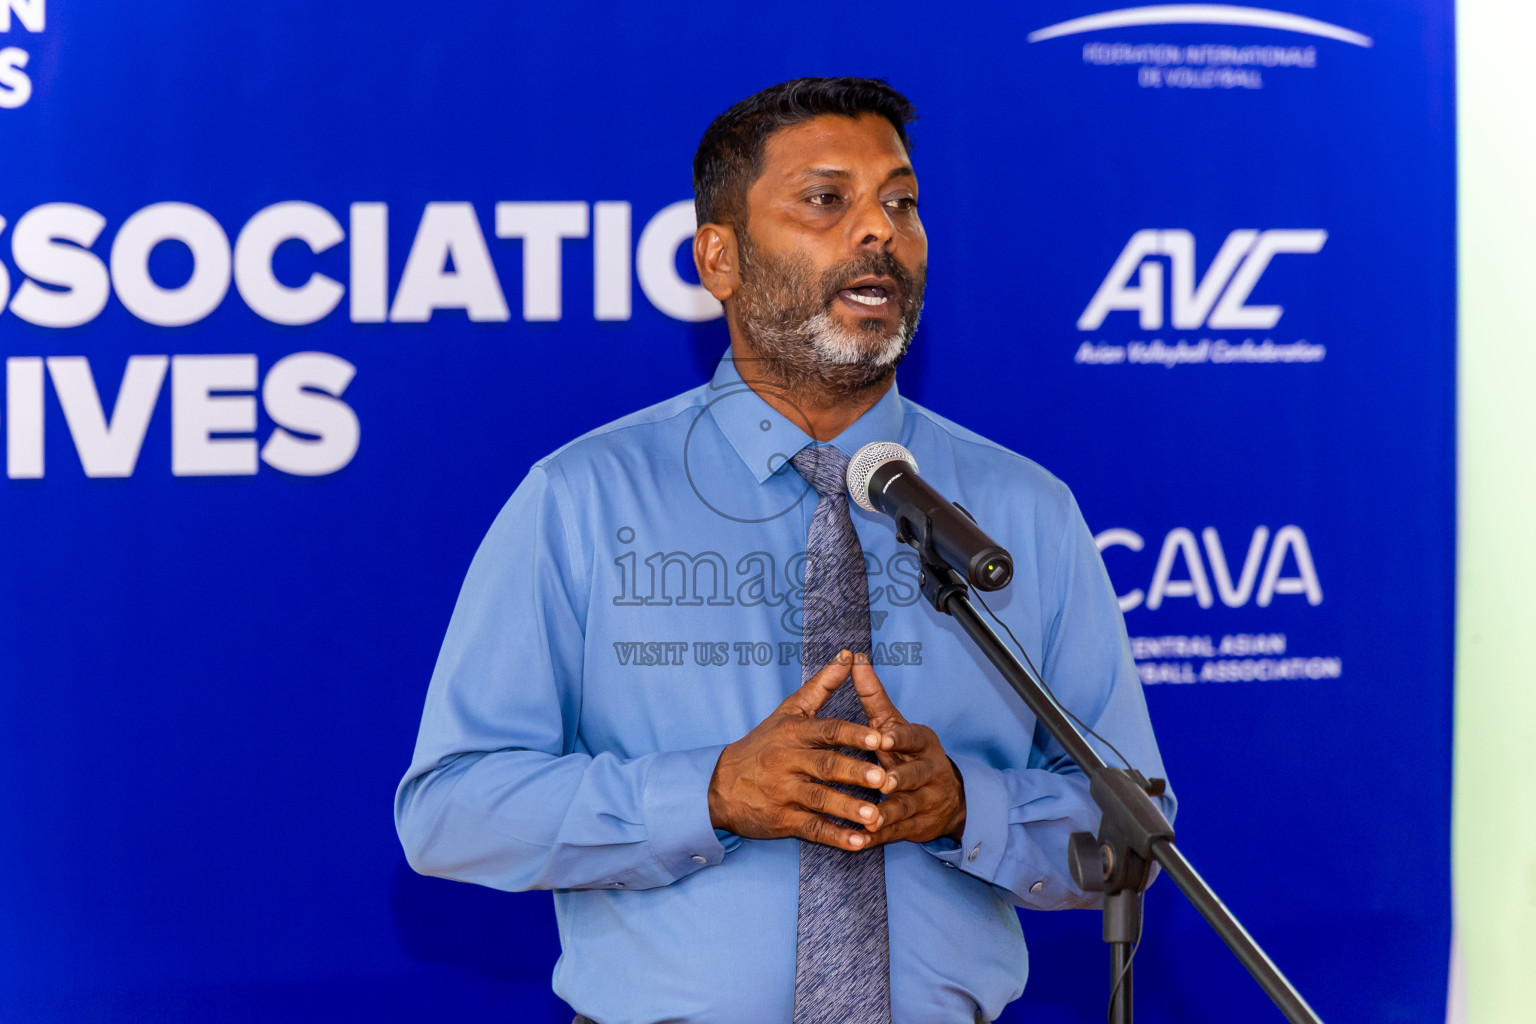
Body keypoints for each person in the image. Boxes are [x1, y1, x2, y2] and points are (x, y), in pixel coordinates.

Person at [395, 77, 1173, 1024]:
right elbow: (449, 810)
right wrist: (712, 792)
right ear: (719, 258)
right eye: (826, 200)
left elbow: (1135, 826)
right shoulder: (580, 500)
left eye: (901, 202)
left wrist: (969, 807)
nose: (878, 232)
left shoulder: (1022, 512)